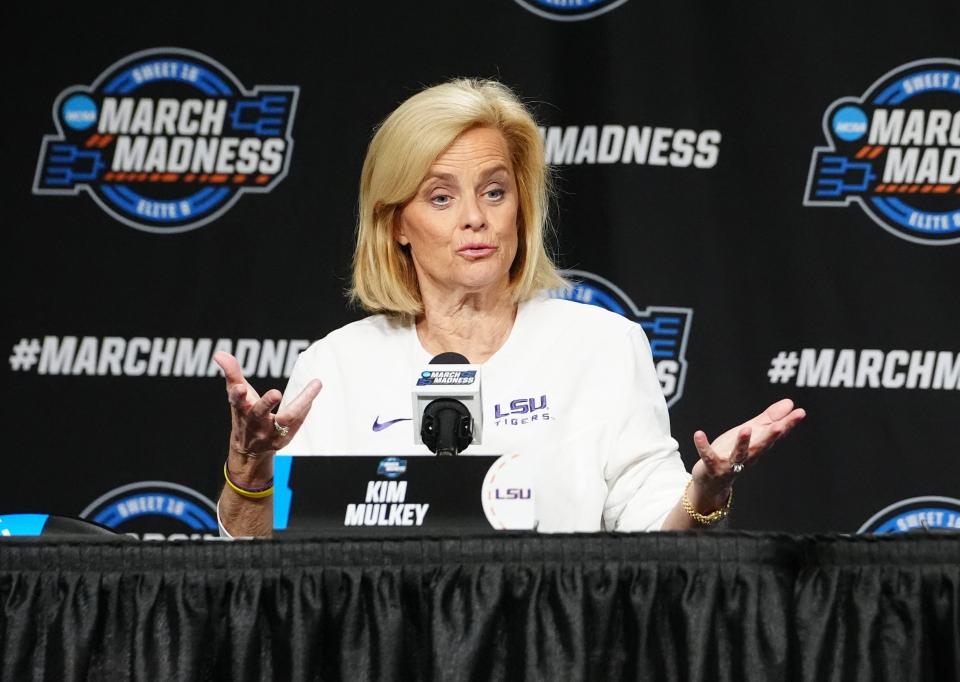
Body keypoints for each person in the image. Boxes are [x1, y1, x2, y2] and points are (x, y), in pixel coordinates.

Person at [213, 78, 805, 537]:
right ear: (396, 222)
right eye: (441, 197)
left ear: (520, 207)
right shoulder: (336, 366)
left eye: (494, 191)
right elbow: (267, 567)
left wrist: (704, 495)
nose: (476, 217)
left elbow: (654, 536)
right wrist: (249, 473)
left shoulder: (602, 346)